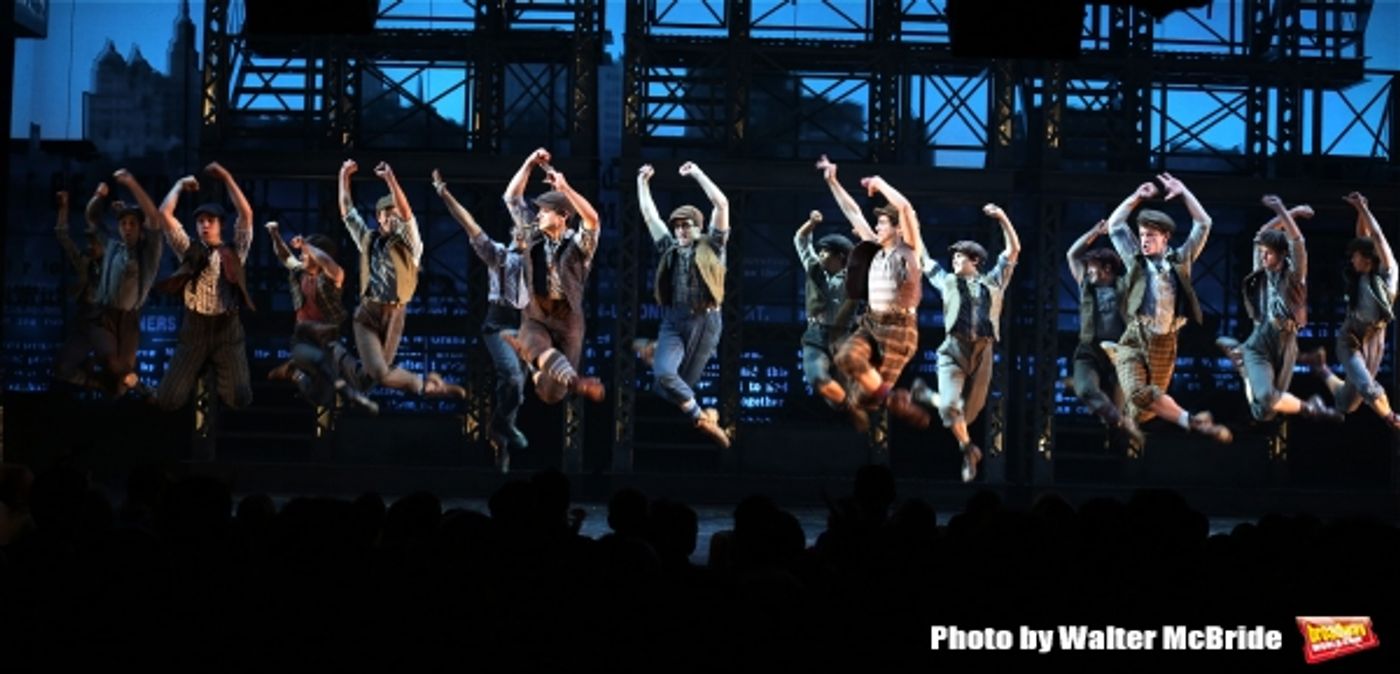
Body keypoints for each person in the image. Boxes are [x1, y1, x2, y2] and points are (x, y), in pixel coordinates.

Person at [1100, 174, 1232, 445]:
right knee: (1137, 395)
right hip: (1136, 337)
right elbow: (1114, 225)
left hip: (1165, 341)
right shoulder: (1135, 259)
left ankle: (1187, 419)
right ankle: (1193, 421)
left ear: (1166, 237)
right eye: (1142, 235)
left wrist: (1183, 192)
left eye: (1150, 236)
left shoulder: (1181, 262)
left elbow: (1204, 223)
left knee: (1143, 413)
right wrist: (1137, 196)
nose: (1145, 240)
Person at [816, 154, 931, 431]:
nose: (876, 227)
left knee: (864, 399)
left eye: (882, 224)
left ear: (898, 229)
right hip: (872, 322)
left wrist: (879, 182)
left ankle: (889, 399)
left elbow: (904, 207)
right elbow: (852, 211)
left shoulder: (909, 251)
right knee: (846, 359)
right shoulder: (876, 249)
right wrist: (833, 181)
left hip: (899, 330)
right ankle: (892, 399)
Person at [909, 203, 1021, 482]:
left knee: (968, 415)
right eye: (954, 256)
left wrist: (1002, 218)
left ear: (975, 261)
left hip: (983, 351)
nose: (955, 260)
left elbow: (1013, 251)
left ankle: (927, 396)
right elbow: (923, 257)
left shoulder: (994, 282)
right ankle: (968, 449)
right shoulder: (947, 281)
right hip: (953, 351)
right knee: (950, 408)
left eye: (960, 257)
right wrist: (914, 224)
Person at [338, 159, 464, 399]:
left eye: (396, 213)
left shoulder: (410, 244)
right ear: (380, 217)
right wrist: (344, 175)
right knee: (379, 373)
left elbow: (407, 215)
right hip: (367, 313)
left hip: (395, 316)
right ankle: (425, 386)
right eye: (389, 213)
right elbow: (347, 211)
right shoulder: (368, 239)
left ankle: (334, 354)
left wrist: (390, 178)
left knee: (370, 381)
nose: (395, 217)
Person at [433, 169, 530, 472]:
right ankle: (499, 427)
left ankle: (501, 435)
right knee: (512, 378)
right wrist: (444, 193)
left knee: (516, 390)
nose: (522, 231)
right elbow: (469, 224)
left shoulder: (541, 257)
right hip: (499, 325)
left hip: (528, 328)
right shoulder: (499, 255)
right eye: (518, 229)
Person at [632, 161, 732, 447]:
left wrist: (698, 173)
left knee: (675, 388)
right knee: (664, 376)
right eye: (676, 227)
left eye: (686, 225)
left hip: (707, 321)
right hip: (674, 321)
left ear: (698, 227)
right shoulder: (670, 249)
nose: (680, 231)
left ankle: (652, 352)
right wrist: (642, 183)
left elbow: (721, 204)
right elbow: (650, 217)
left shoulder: (713, 245)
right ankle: (703, 419)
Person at [1216, 197, 1341, 424]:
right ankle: (1311, 408)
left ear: (1282, 255)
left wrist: (1282, 209)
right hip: (1260, 339)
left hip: (1286, 341)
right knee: (1264, 397)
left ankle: (1244, 370)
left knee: (1265, 412)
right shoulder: (1260, 271)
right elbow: (1261, 234)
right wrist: (1292, 212)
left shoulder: (1294, 276)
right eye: (1262, 252)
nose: (1263, 257)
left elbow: (1297, 242)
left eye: (1269, 253)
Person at [501, 148, 605, 405]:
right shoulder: (533, 234)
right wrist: (529, 163)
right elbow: (512, 198)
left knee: (551, 394)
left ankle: (534, 364)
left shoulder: (578, 246)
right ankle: (570, 378)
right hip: (536, 313)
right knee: (535, 342)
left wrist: (565, 187)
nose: (538, 215)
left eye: (544, 211)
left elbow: (592, 219)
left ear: (562, 216)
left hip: (568, 319)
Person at [152, 162, 256, 411]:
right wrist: (178, 186)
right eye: (200, 221)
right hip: (195, 328)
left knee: (240, 397)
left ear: (220, 224)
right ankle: (200, 367)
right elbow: (164, 215)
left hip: (226, 329)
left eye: (210, 221)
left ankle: (214, 369)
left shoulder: (234, 251)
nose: (204, 225)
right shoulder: (190, 249)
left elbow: (246, 215)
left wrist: (228, 177)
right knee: (168, 400)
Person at [52, 170, 164, 397]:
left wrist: (132, 182)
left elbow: (154, 218)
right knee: (104, 367)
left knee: (119, 388)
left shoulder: (147, 255)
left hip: (128, 320)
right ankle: (138, 389)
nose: (128, 227)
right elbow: (91, 217)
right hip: (102, 316)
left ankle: (112, 385)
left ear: (140, 228)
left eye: (133, 223)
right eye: (123, 223)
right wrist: (98, 196)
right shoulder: (113, 247)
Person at [1297, 192, 1400, 427]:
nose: (1352, 261)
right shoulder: (1363, 274)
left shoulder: (1388, 271)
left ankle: (1320, 367)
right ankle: (1391, 417)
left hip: (1374, 339)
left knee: (1347, 404)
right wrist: (1358, 211)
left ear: (1368, 259)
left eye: (1355, 256)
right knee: (1366, 387)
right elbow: (1362, 236)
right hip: (1350, 337)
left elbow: (1376, 237)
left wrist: (1364, 208)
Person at [265, 222, 377, 415]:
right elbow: (284, 255)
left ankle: (296, 371)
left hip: (327, 336)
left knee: (349, 380)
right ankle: (295, 371)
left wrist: (307, 246)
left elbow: (327, 263)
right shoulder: (300, 272)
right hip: (304, 338)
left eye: (306, 255)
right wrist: (275, 234)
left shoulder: (334, 277)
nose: (301, 257)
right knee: (321, 383)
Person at [1062, 219, 1143, 452]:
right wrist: (1094, 232)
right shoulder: (1085, 285)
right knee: (1087, 390)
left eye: (1093, 266)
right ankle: (1118, 421)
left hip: (1120, 353)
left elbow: (1138, 263)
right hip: (1090, 350)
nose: (1088, 270)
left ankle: (1122, 444)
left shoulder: (1124, 285)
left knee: (1121, 405)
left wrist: (1122, 232)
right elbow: (1072, 254)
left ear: (1107, 269)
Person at [793, 209, 857, 415]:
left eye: (826, 252)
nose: (820, 255)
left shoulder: (854, 276)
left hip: (843, 336)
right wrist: (811, 223)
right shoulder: (814, 268)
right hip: (816, 333)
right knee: (816, 376)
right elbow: (801, 240)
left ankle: (847, 404)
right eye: (820, 251)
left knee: (849, 383)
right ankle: (843, 402)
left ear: (841, 257)